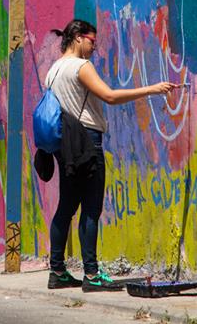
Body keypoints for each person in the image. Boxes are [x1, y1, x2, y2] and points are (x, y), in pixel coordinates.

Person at [44, 19, 178, 292]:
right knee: (91, 208)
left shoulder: (53, 70)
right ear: (79, 38)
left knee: (66, 206)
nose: (94, 47)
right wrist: (152, 89)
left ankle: (57, 271)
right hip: (86, 142)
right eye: (92, 41)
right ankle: (92, 275)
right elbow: (110, 96)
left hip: (64, 144)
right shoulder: (81, 67)